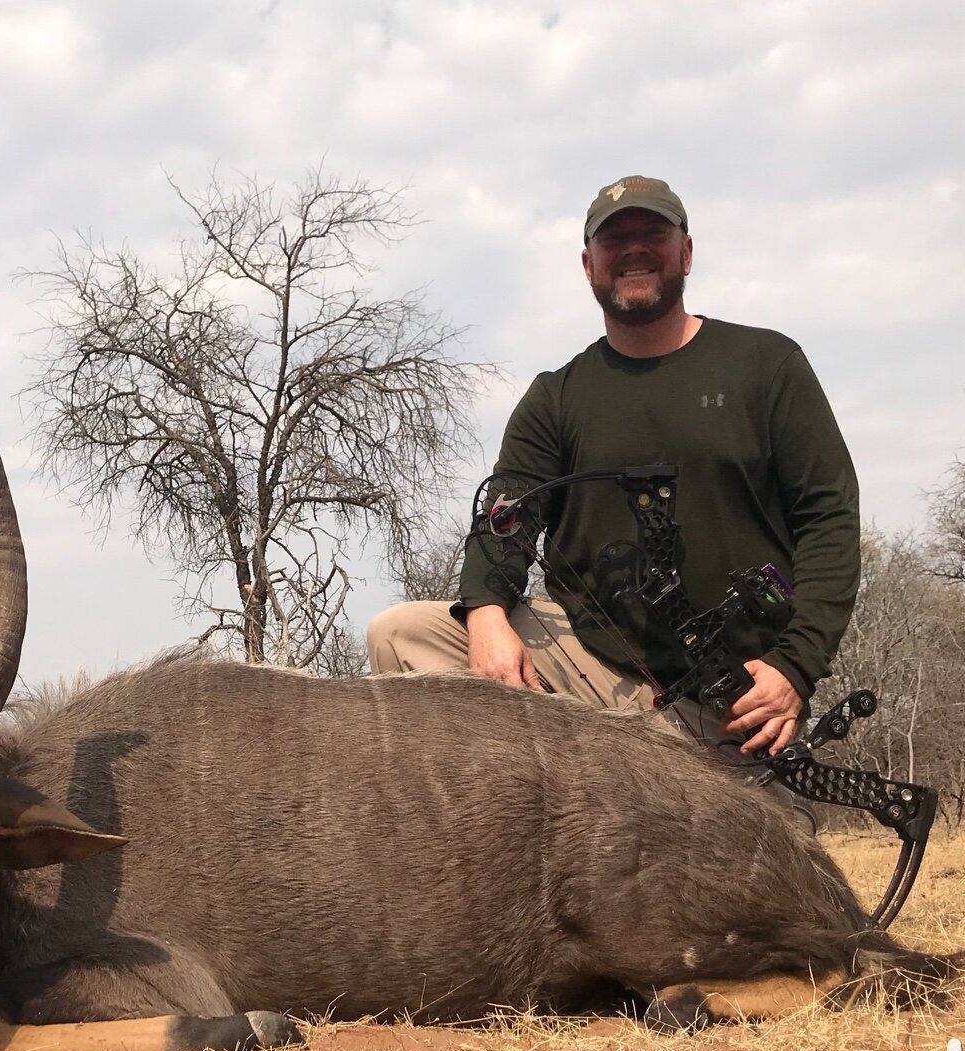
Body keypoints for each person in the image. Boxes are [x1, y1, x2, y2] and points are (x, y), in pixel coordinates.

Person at [368, 175, 860, 761]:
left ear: (687, 251)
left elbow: (829, 519)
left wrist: (793, 668)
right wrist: (486, 614)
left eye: (652, 232)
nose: (634, 249)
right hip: (594, 672)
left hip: (735, 694)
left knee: (760, 851)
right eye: (613, 238)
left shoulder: (767, 365)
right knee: (398, 636)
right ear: (588, 264)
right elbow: (506, 521)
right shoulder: (555, 398)